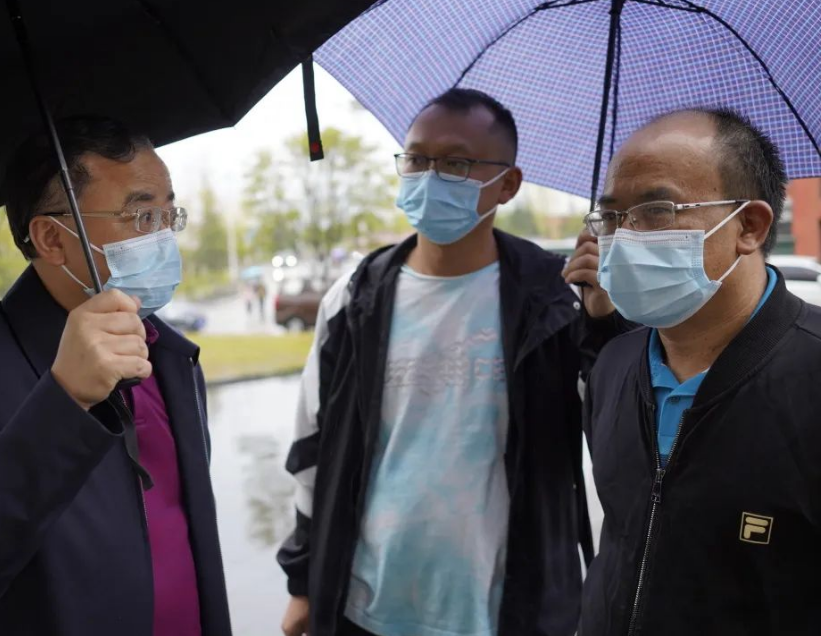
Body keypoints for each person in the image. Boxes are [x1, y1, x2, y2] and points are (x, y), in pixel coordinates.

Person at [277, 88, 621, 636]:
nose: (430, 176)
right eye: (416, 159)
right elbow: (312, 447)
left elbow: (618, 434)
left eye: (456, 163)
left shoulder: (556, 303)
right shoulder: (354, 299)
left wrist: (605, 325)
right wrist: (302, 582)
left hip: (510, 611)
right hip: (365, 606)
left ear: (507, 184)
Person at [0, 116, 232, 636]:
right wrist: (64, 399)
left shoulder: (167, 352)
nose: (164, 237)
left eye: (170, 214)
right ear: (52, 238)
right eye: (142, 217)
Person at [567, 108, 821, 634]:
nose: (625, 236)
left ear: (749, 226)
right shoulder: (615, 365)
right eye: (611, 217)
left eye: (656, 211)